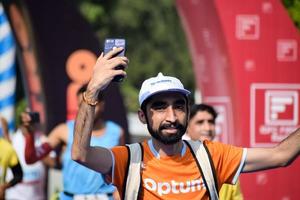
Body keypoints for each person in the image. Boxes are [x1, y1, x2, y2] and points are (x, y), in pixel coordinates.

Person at [71, 47, 299, 199]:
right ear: (143, 116)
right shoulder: (127, 159)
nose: (171, 116)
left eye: (179, 106)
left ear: (188, 111)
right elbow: (81, 154)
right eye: (159, 107)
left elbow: (282, 155)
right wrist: (92, 90)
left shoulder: (211, 155)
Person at [22, 84, 125, 200]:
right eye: (82, 105)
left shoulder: (117, 132)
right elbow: (31, 158)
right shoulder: (63, 130)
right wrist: (30, 134)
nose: (87, 110)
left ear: (102, 104)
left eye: (92, 104)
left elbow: (121, 169)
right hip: (71, 197)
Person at [185, 104, 243, 200]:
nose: (207, 128)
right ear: (187, 127)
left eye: (211, 122)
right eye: (200, 122)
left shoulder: (225, 159)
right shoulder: (178, 159)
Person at [5, 112, 56, 200]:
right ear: (20, 125)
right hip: (15, 196)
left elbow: (53, 163)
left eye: (30, 124)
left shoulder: (42, 139)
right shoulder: (13, 139)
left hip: (36, 197)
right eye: (25, 124)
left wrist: (38, 154)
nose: (27, 126)